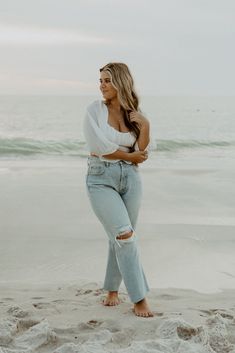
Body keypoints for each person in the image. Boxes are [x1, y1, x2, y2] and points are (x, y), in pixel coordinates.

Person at [83, 62, 153, 318]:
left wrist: (145, 126)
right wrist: (130, 155)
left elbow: (144, 151)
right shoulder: (94, 110)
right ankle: (140, 298)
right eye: (100, 80)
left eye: (107, 81)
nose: (101, 85)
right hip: (101, 178)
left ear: (121, 82)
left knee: (123, 238)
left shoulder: (135, 113)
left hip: (132, 180)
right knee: (124, 236)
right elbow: (99, 146)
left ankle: (112, 289)